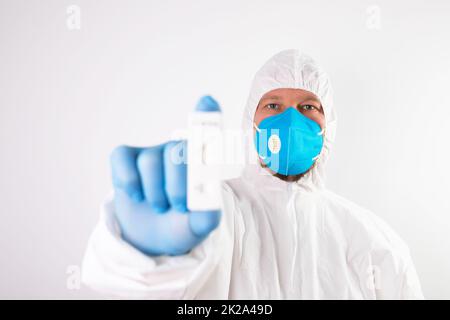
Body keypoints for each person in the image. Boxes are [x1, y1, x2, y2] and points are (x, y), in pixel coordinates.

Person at [82, 49, 424, 299]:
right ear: (251, 122)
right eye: (273, 105)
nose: (290, 121)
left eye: (308, 106)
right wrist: (144, 253)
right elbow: (144, 286)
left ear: (329, 125)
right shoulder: (218, 212)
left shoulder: (374, 243)